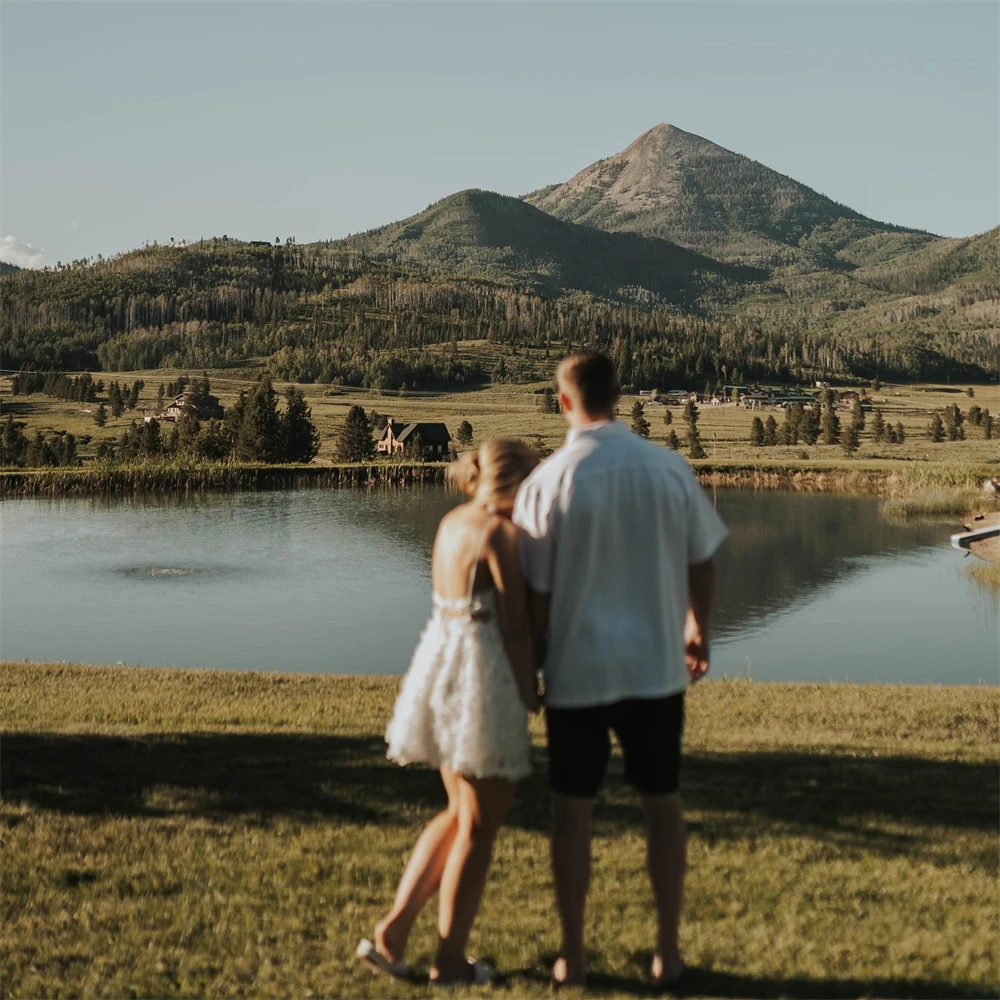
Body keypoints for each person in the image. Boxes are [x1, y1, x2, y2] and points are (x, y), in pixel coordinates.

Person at [514, 351, 727, 990]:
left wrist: (533, 665)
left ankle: (573, 956)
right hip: (656, 668)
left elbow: (537, 594)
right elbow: (705, 558)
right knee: (662, 803)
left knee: (572, 813)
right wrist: (696, 628)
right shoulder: (667, 469)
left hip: (577, 671)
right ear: (619, 393)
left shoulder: (547, 483)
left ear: (563, 401)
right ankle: (667, 951)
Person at [357, 438, 540, 986]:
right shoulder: (499, 535)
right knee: (480, 827)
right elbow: (515, 626)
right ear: (516, 483)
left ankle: (393, 932)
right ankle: (450, 960)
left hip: (441, 668)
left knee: (459, 813)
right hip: (481, 678)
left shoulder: (452, 523)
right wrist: (532, 691)